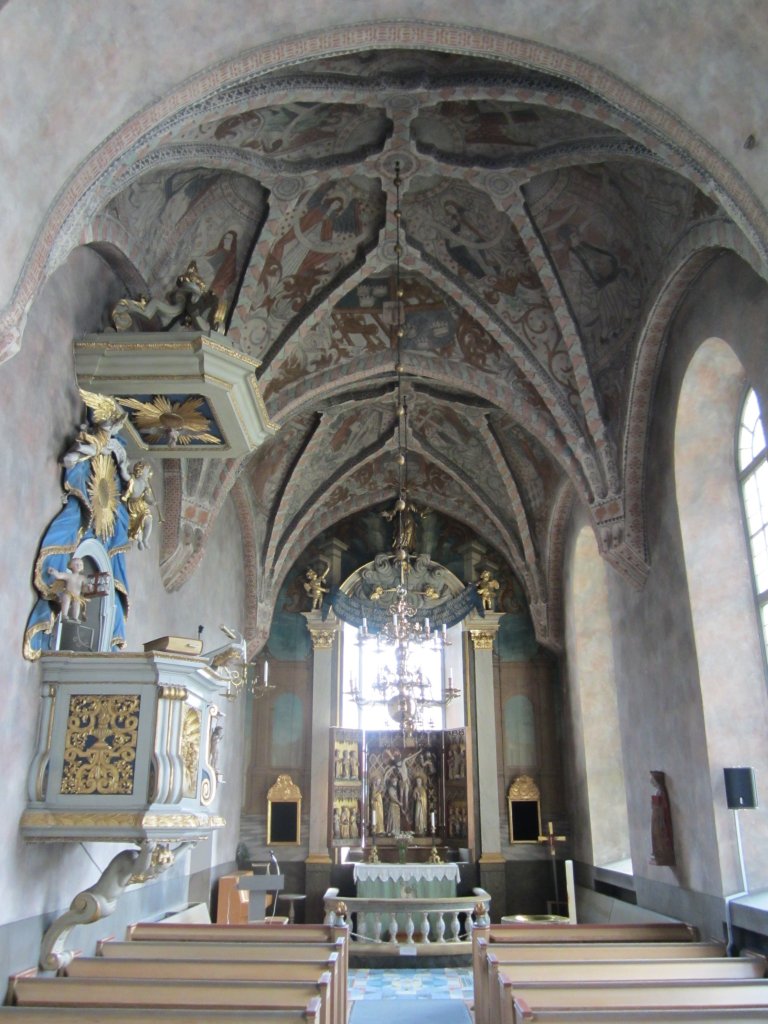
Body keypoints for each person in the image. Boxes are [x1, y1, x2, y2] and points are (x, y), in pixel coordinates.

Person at [122, 461, 156, 550]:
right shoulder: (133, 480)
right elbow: (125, 476)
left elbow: (147, 497)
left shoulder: (146, 484)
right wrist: (123, 467)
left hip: (142, 505)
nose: (148, 473)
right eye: (147, 471)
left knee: (148, 520)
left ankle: (145, 539)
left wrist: (152, 502)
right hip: (132, 506)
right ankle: (140, 541)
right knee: (136, 526)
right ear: (140, 471)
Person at [49, 556, 89, 622]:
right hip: (68, 592)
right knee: (66, 601)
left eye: (80, 564)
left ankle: (75, 618)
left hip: (77, 595)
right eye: (76, 564)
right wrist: (54, 572)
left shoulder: (82, 578)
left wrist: (89, 587)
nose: (78, 566)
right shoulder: (69, 575)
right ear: (71, 565)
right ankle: (64, 615)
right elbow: (59, 575)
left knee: (76, 604)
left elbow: (85, 587)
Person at [650, 770, 675, 866]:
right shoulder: (658, 792)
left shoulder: (661, 792)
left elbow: (664, 806)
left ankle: (663, 854)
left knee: (661, 835)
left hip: (660, 818)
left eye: (652, 779)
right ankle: (658, 853)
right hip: (656, 817)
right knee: (656, 836)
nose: (651, 781)